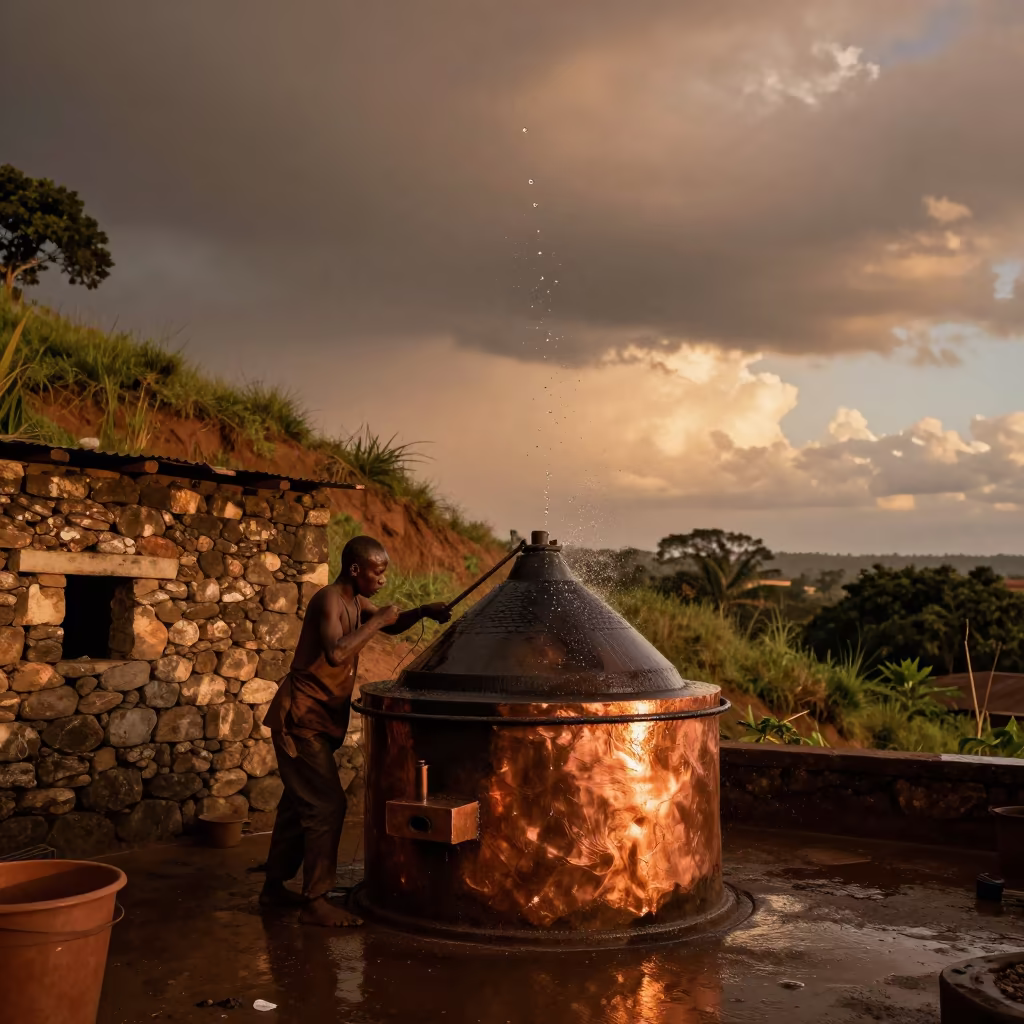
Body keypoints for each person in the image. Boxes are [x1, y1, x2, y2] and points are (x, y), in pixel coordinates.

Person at [259, 534, 450, 926]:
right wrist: (378, 620)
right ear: (355, 569)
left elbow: (391, 628)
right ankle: (315, 901)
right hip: (301, 720)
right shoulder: (328, 599)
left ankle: (273, 888)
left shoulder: (356, 601)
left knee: (299, 805)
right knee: (328, 805)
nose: (382, 579)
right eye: (377, 572)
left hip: (321, 720)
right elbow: (336, 652)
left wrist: (422, 612)